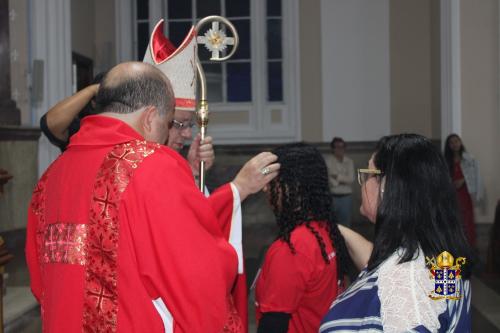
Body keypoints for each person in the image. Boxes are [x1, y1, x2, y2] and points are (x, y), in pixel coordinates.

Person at [26, 62, 280, 333]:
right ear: (149, 117)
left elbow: (41, 282)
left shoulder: (51, 176)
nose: (165, 133)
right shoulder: (152, 165)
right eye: (169, 122)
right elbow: (195, 280)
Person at [320, 134, 474, 332]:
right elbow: (380, 263)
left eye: (368, 174)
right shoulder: (438, 258)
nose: (363, 183)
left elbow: (402, 283)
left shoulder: (407, 284)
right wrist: (332, 227)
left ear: (389, 187)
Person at [254, 143, 350, 333]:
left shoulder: (291, 249)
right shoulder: (325, 230)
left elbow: (273, 324)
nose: (266, 188)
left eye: (273, 180)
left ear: (293, 186)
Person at [40, 72, 106, 151]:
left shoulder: (123, 131)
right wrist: (94, 89)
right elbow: (51, 124)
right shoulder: (81, 129)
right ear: (93, 102)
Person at [444, 133, 483, 247]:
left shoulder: (469, 159)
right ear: (448, 145)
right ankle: (454, 246)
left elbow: (475, 176)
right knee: (453, 219)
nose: (455, 144)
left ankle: (469, 247)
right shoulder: (445, 160)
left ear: (460, 142)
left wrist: (463, 180)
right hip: (451, 195)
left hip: (465, 193)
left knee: (467, 219)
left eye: (457, 141)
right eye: (451, 142)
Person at [327, 137, 355, 226]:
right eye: (337, 147)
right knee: (332, 224)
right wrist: (343, 179)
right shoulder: (328, 161)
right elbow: (330, 181)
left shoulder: (349, 161)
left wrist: (337, 177)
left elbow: (351, 179)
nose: (340, 149)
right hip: (333, 197)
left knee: (346, 225)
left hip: (346, 197)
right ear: (332, 149)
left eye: (342, 147)